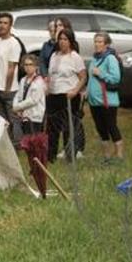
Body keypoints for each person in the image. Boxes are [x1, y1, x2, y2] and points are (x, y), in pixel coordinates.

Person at [47, 28, 86, 163]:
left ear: (70, 41)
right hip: (53, 94)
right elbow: (51, 75)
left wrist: (75, 91)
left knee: (68, 127)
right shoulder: (54, 56)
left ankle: (70, 155)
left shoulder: (75, 57)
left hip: (69, 95)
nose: (62, 42)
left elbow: (82, 77)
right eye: (60, 39)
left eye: (65, 39)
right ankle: (50, 156)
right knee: (52, 127)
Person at [12, 54, 48, 197]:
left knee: (36, 147)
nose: (27, 67)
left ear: (36, 67)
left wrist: (18, 107)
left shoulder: (39, 82)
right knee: (28, 147)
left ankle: (39, 175)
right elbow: (19, 95)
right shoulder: (23, 80)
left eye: (30, 65)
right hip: (25, 117)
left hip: (35, 117)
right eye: (25, 65)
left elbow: (33, 100)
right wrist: (16, 106)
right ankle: (32, 170)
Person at [87, 31, 123, 164]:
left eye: (100, 42)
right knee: (100, 128)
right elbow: (91, 78)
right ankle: (107, 156)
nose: (97, 44)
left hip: (108, 101)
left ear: (107, 44)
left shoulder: (110, 58)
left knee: (111, 126)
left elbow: (115, 78)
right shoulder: (94, 58)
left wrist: (100, 73)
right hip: (94, 101)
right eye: (95, 41)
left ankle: (119, 155)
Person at [0, 13, 22, 142]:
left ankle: (18, 143)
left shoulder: (14, 43)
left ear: (10, 25)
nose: (2, 25)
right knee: (3, 120)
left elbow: (11, 68)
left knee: (13, 119)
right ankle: (7, 143)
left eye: (5, 23)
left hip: (9, 89)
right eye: (0, 22)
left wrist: (7, 88)